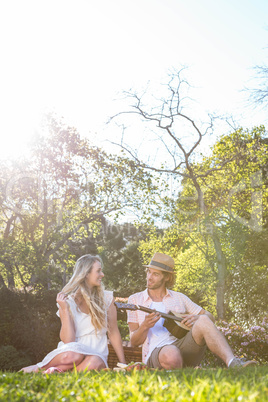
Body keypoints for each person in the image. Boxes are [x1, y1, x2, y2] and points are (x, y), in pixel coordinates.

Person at [127, 252, 257, 369]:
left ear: (167, 277)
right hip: (156, 353)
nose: (149, 277)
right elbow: (133, 342)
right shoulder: (135, 300)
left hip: (185, 347)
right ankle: (188, 369)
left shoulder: (179, 298)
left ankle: (233, 363)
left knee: (203, 319)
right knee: (171, 353)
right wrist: (145, 326)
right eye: (149, 272)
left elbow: (210, 317)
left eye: (155, 274)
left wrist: (197, 318)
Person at [21, 254, 126, 373]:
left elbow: (113, 332)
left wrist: (123, 363)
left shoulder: (107, 298)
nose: (102, 274)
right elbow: (69, 341)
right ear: (86, 274)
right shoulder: (68, 302)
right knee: (74, 355)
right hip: (72, 353)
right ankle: (37, 369)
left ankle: (56, 373)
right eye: (98, 271)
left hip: (97, 353)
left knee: (94, 363)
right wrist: (65, 310)